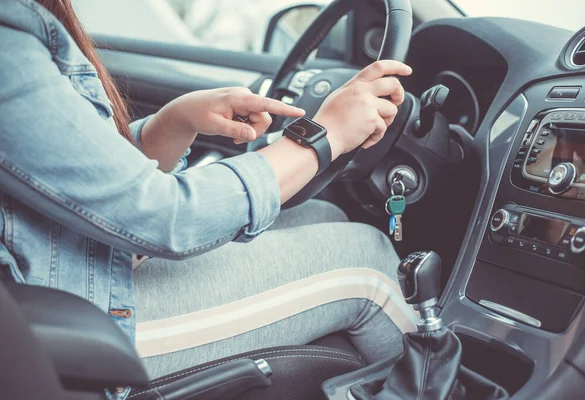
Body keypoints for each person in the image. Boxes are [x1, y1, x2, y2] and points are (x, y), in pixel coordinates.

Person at [0, 0, 419, 383]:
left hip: (57, 276)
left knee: (324, 218)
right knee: (366, 260)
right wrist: (323, 138)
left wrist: (171, 124)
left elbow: (63, 177)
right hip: (56, 328)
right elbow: (164, 217)